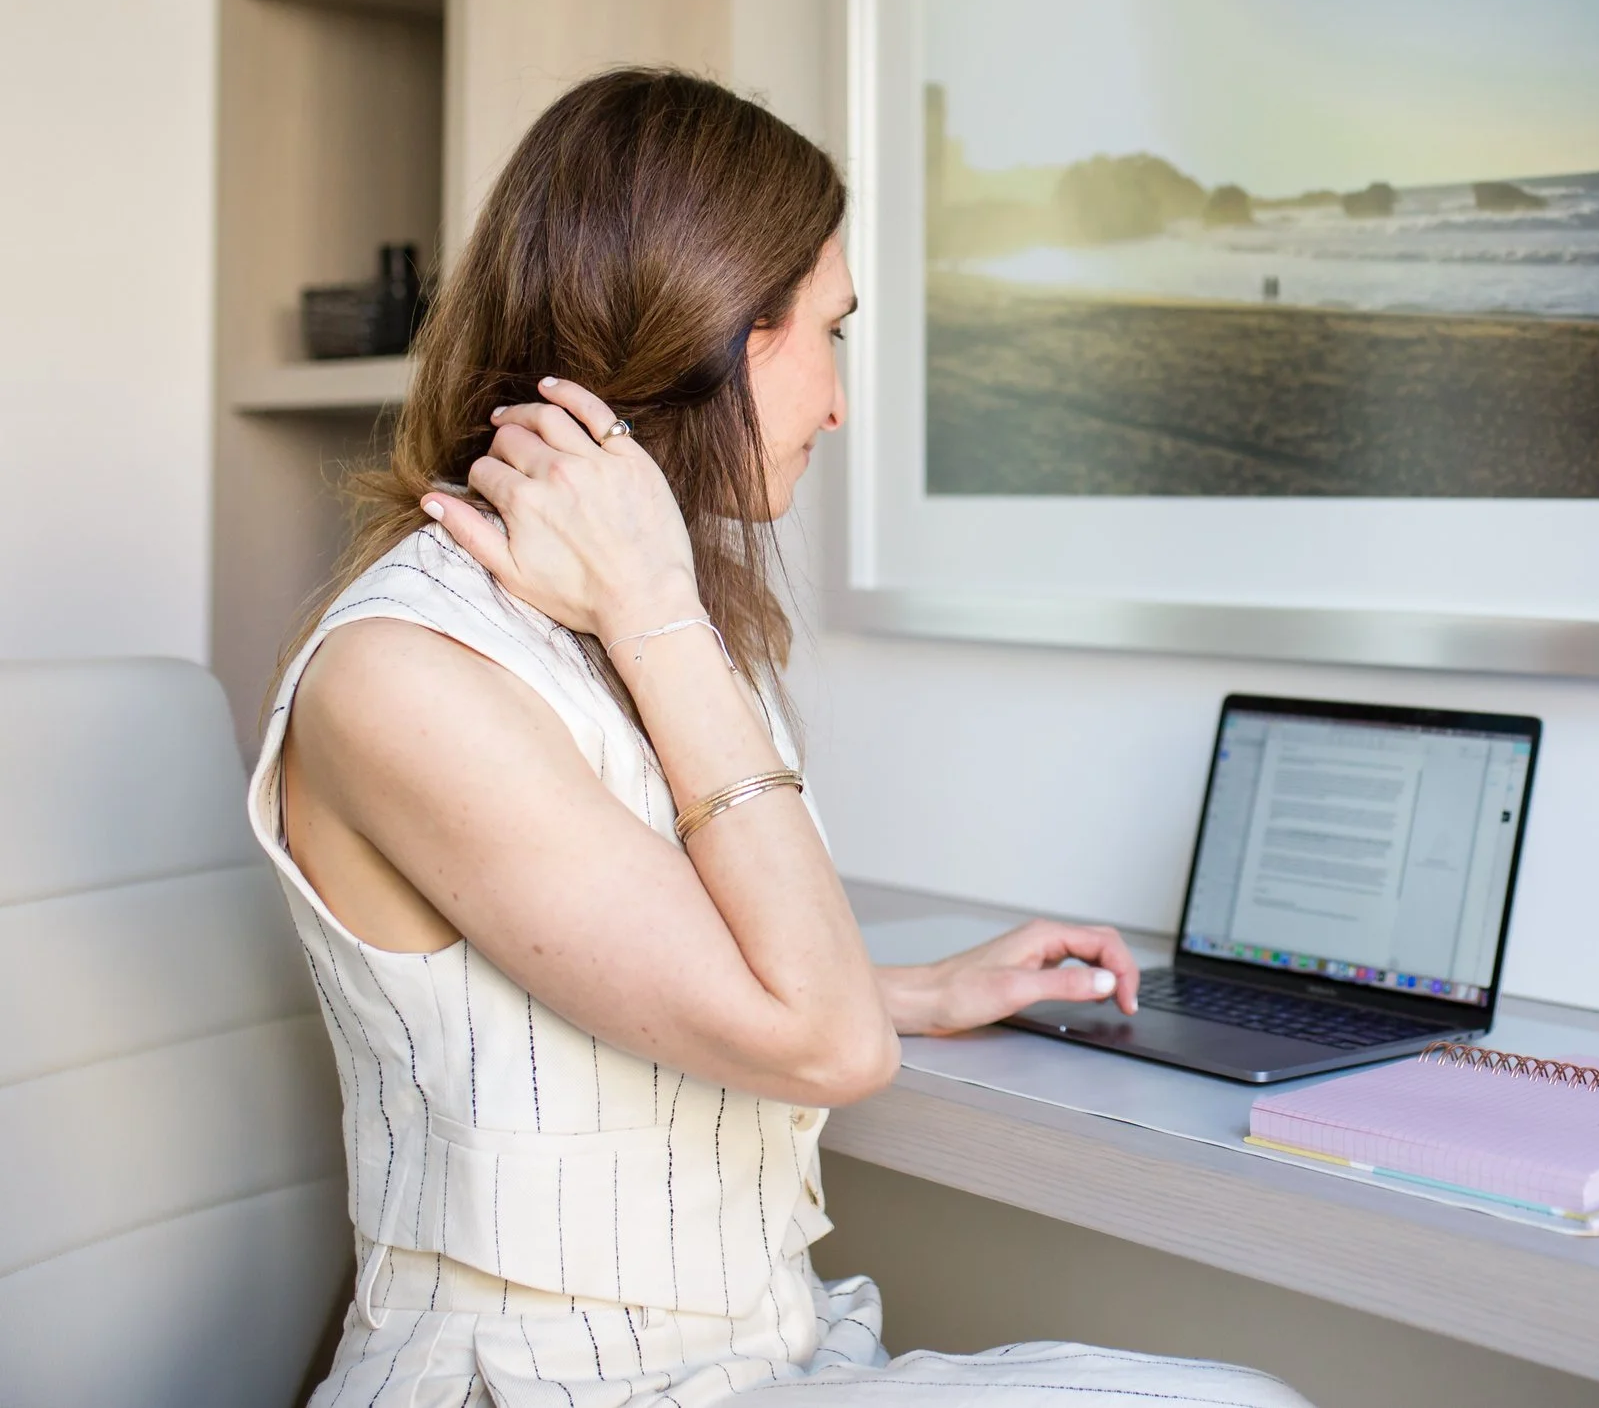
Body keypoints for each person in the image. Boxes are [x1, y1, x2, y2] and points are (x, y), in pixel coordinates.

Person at [252, 68, 1310, 1407]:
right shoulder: (407, 676)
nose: (836, 403)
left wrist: (912, 987)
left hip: (757, 1353)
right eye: (833, 333)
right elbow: (825, 1051)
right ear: (722, 335)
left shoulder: (629, 618)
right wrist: (654, 611)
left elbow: (693, 958)